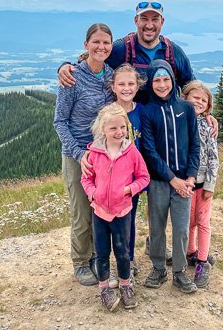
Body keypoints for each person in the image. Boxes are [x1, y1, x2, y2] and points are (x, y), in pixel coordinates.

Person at [53, 23, 114, 286]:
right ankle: (80, 262)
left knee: (99, 210)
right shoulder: (73, 78)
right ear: (86, 45)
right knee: (81, 213)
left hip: (103, 156)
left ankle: (95, 258)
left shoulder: (111, 76)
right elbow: (59, 122)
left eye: (106, 43)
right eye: (96, 42)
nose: (101, 47)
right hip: (76, 155)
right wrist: (79, 154)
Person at [81, 103, 150, 311]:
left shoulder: (132, 152)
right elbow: (86, 179)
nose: (119, 132)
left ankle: (125, 285)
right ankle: (104, 289)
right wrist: (93, 193)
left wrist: (129, 190)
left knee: (122, 251)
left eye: (122, 127)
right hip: (100, 212)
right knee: (102, 252)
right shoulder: (94, 153)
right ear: (103, 130)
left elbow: (144, 177)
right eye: (113, 128)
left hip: (122, 212)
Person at [58, 1, 194, 104]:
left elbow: (190, 86)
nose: (149, 25)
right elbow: (93, 59)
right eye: (144, 19)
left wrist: (204, 114)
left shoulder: (174, 52)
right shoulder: (122, 48)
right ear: (136, 21)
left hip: (165, 123)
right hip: (131, 124)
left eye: (155, 19)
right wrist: (65, 66)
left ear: (162, 22)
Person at [140, 59, 200, 294]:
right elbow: (149, 151)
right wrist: (171, 179)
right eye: (157, 80)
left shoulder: (186, 108)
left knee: (182, 228)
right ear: (151, 83)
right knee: (156, 227)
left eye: (166, 79)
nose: (162, 84)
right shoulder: (147, 111)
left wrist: (191, 178)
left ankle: (179, 272)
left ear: (173, 81)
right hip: (158, 181)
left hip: (185, 182)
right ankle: (158, 267)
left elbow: (195, 144)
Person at [109, 63, 146, 279]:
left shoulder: (142, 112)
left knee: (129, 220)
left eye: (131, 83)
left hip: (133, 182)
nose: (126, 88)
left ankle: (128, 261)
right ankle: (110, 261)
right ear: (113, 87)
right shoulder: (107, 113)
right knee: (109, 222)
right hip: (112, 181)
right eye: (121, 84)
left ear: (138, 86)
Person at [182, 81, 219, 288]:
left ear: (208, 106)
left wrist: (211, 184)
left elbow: (214, 158)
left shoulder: (208, 126)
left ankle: (202, 262)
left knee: (203, 221)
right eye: (195, 97)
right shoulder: (180, 121)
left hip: (203, 183)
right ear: (185, 97)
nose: (199, 102)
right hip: (186, 183)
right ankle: (190, 252)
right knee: (189, 221)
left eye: (204, 100)